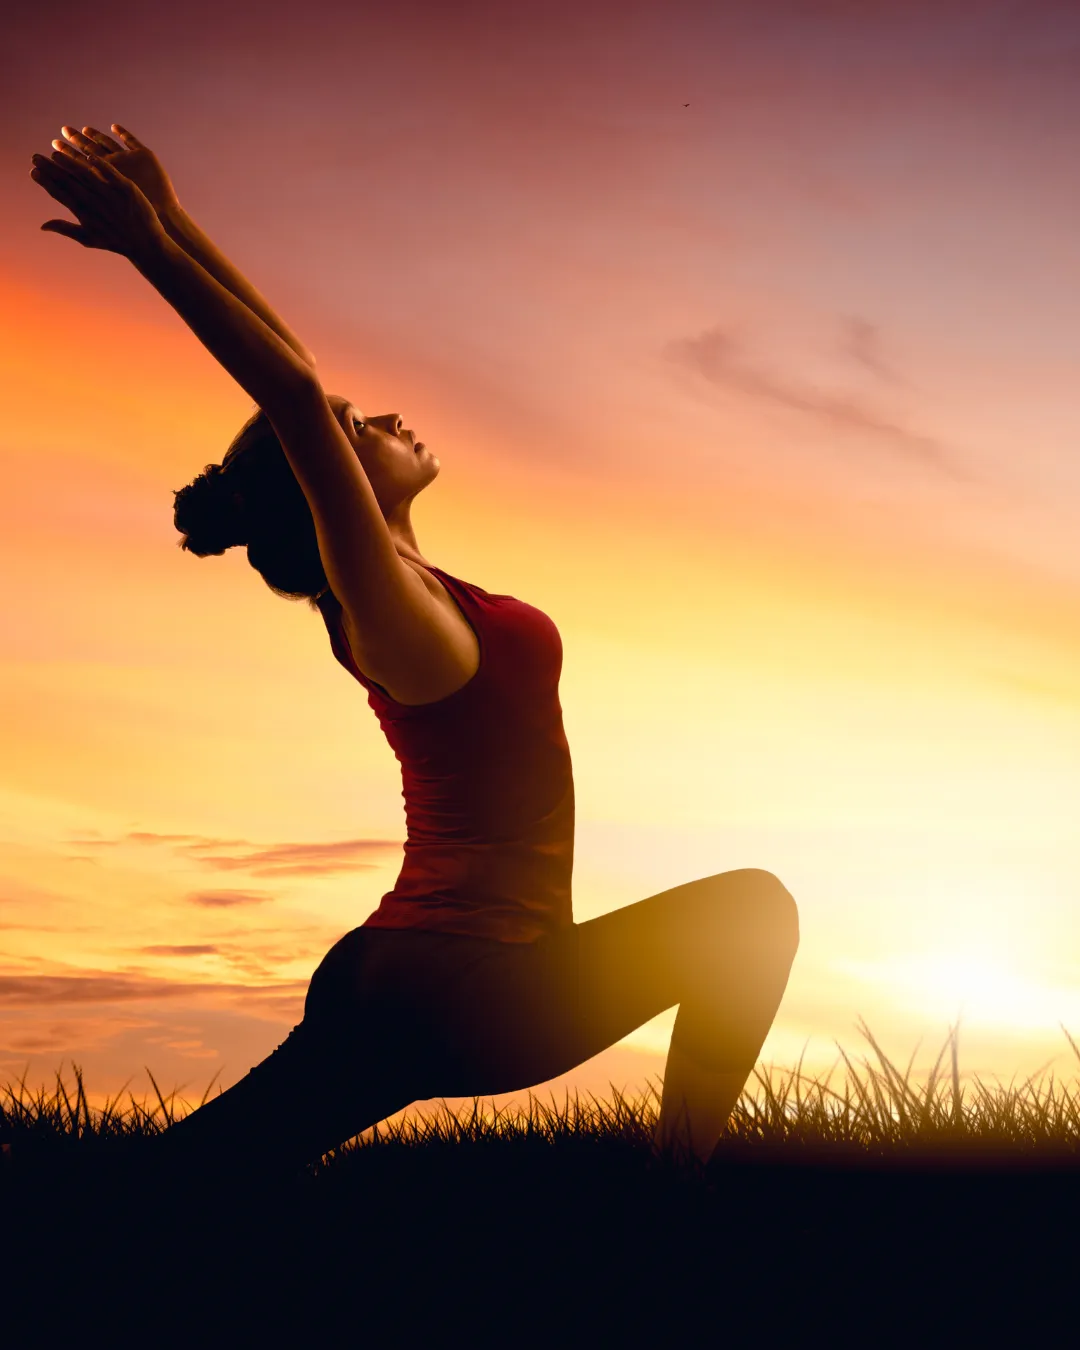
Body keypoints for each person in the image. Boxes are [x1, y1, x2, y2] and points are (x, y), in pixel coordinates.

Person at [30, 124, 799, 1172]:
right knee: (751, 912)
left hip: (402, 975)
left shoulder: (413, 595)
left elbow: (306, 384)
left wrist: (176, 218)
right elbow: (297, 396)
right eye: (366, 429)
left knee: (174, 1182)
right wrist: (151, 249)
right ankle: (676, 1194)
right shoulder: (386, 612)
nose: (389, 415)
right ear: (331, 484)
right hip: (475, 991)